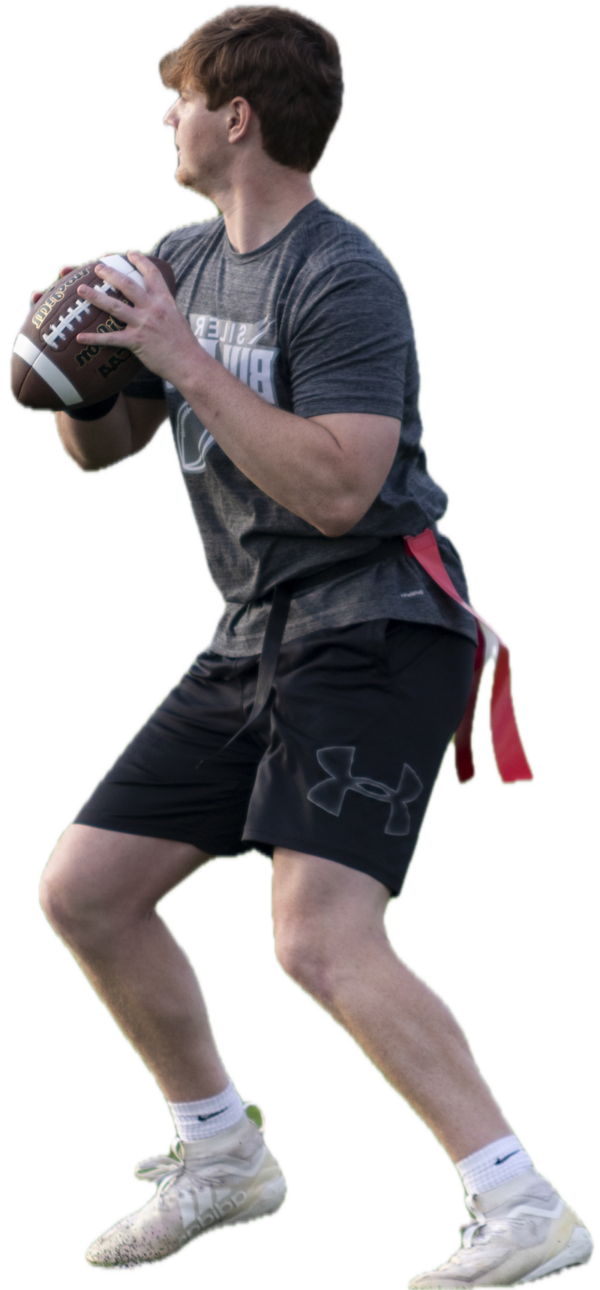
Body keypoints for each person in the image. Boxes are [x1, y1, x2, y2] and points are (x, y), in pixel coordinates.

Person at [34, 2, 597, 1281]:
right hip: (258, 633)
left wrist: (178, 351)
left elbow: (341, 489)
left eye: (181, 99)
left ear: (237, 117)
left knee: (318, 940)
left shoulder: (344, 278)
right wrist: (94, 377)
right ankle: (222, 1152)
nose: (167, 120)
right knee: (87, 890)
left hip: (380, 625)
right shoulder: (182, 253)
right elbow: (106, 453)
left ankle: (523, 1207)